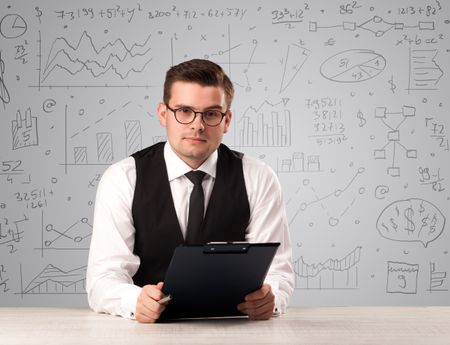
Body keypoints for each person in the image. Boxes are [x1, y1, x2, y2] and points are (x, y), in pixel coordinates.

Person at [86, 59, 294, 323]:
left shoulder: (258, 177)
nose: (197, 125)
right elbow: (102, 279)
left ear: (226, 120)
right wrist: (133, 300)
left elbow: (278, 273)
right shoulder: (123, 178)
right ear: (163, 114)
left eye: (211, 113)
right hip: (146, 334)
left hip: (235, 331)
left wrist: (270, 296)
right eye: (184, 111)